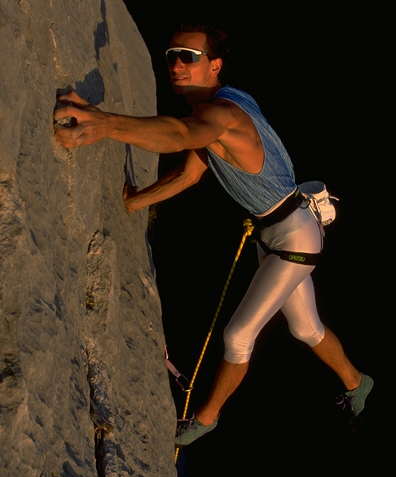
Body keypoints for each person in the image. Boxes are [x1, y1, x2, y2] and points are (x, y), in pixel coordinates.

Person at [54, 23, 374, 447]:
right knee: (305, 329)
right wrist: (134, 202)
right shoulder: (221, 104)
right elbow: (192, 170)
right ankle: (357, 382)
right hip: (283, 230)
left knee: (238, 336)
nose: (177, 64)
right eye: (172, 55)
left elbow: (182, 136)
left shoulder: (222, 114)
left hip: (294, 239)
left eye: (189, 56)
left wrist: (100, 123)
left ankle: (206, 418)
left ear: (215, 65)